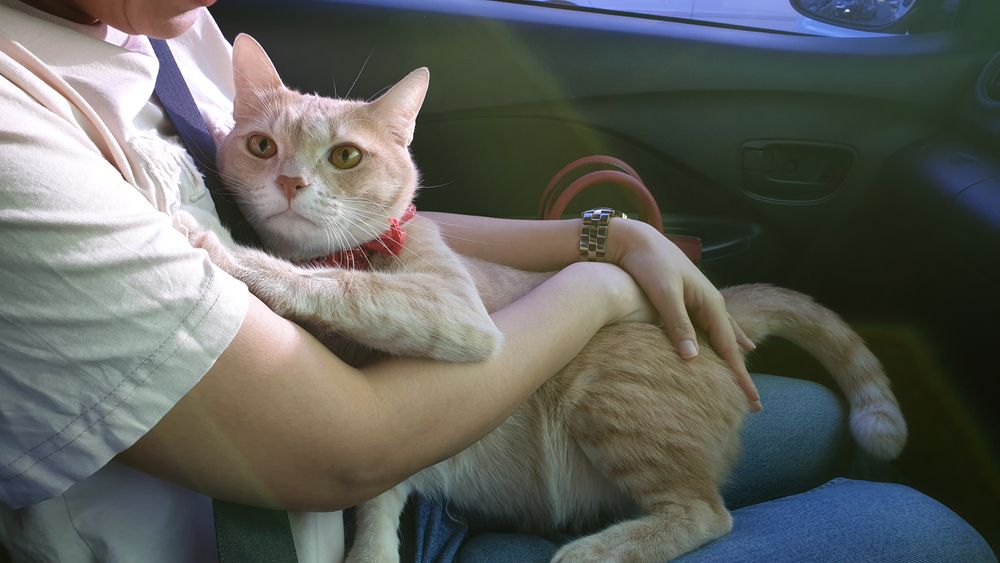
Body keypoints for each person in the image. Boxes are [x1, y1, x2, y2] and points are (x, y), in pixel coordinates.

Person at [0, 1, 993, 561]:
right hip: (318, 509)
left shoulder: (168, 27)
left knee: (814, 415)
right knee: (922, 535)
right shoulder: (20, 124)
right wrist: (600, 286)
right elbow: (335, 453)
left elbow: (360, 221)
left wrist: (590, 239)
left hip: (435, 444)